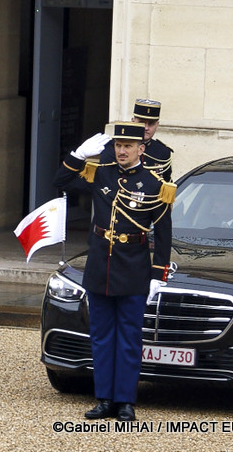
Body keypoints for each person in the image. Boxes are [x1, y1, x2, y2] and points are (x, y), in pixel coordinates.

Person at [53, 122, 174, 422]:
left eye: (128, 146)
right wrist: (78, 154)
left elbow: (163, 235)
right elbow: (62, 181)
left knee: (130, 339)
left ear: (140, 150)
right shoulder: (102, 173)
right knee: (102, 337)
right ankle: (105, 399)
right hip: (100, 269)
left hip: (133, 270)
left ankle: (125, 401)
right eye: (118, 146)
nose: (121, 151)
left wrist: (158, 276)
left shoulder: (156, 185)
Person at [100, 99, 173, 181]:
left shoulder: (162, 152)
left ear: (157, 125)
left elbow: (166, 184)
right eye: (142, 122)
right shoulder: (112, 147)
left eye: (151, 124)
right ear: (133, 121)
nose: (146, 128)